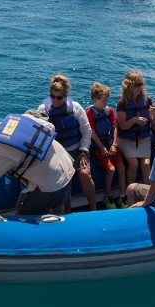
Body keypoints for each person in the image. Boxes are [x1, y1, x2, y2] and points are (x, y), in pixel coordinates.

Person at [0, 113, 74, 214]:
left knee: (23, 213)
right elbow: (50, 127)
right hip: (67, 166)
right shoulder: (16, 118)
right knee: (58, 211)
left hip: (51, 182)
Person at [37, 74, 97, 211]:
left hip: (77, 150)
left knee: (85, 174)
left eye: (59, 97)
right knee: (63, 179)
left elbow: (87, 130)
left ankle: (93, 208)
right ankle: (67, 211)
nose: (56, 100)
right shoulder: (42, 110)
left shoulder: (75, 108)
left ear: (65, 96)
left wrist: (83, 151)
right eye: (52, 97)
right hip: (57, 153)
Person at [86, 82, 127, 209]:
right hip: (98, 147)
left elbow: (114, 127)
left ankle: (122, 195)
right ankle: (107, 195)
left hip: (110, 144)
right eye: (103, 100)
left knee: (121, 168)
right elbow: (92, 131)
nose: (105, 102)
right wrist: (101, 147)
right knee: (111, 169)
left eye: (107, 99)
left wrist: (114, 144)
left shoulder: (109, 111)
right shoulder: (89, 112)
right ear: (95, 99)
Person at [116, 70, 155, 186]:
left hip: (143, 139)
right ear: (129, 85)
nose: (139, 88)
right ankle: (131, 191)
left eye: (141, 84)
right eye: (136, 85)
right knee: (133, 164)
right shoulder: (122, 102)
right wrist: (134, 120)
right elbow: (122, 126)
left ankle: (148, 193)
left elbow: (153, 123)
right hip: (127, 140)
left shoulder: (147, 100)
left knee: (146, 164)